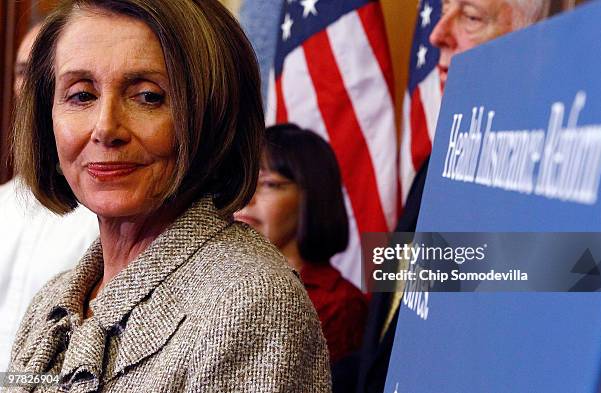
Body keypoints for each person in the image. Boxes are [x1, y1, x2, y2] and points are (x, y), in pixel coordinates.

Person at [7, 1, 330, 392]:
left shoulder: (250, 302)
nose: (106, 128)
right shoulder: (54, 301)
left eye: (148, 97)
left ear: (213, 114)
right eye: (81, 96)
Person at [357, 1, 550, 392]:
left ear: (535, 41)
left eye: (472, 17)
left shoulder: (552, 198)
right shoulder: (434, 166)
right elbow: (381, 349)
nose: (436, 34)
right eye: (444, 9)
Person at [0, 22, 99, 372]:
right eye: (23, 71)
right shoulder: (3, 204)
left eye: (43, 73)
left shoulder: (108, 211)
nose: (29, 88)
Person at [235, 124, 368, 368]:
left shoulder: (339, 305)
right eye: (243, 180)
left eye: (268, 184)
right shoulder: (223, 278)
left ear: (312, 198)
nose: (247, 196)